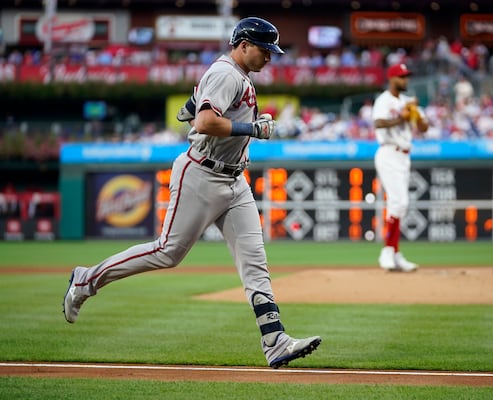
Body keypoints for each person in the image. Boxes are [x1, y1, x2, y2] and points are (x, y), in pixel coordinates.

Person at [62, 17, 321, 369]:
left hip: (234, 181)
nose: (270, 57)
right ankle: (87, 278)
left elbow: (190, 110)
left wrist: (194, 102)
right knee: (167, 253)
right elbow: (203, 122)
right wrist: (253, 129)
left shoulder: (235, 76)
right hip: (201, 173)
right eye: (265, 50)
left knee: (255, 263)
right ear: (243, 45)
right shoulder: (226, 73)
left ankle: (275, 341)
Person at [372, 63, 429, 272]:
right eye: (402, 77)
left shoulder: (408, 102)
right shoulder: (384, 100)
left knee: (401, 205)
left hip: (404, 156)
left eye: (407, 77)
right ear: (392, 79)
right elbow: (378, 123)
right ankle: (388, 251)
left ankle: (394, 253)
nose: (405, 80)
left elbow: (424, 127)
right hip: (388, 152)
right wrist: (401, 117)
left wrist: (416, 114)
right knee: (399, 201)